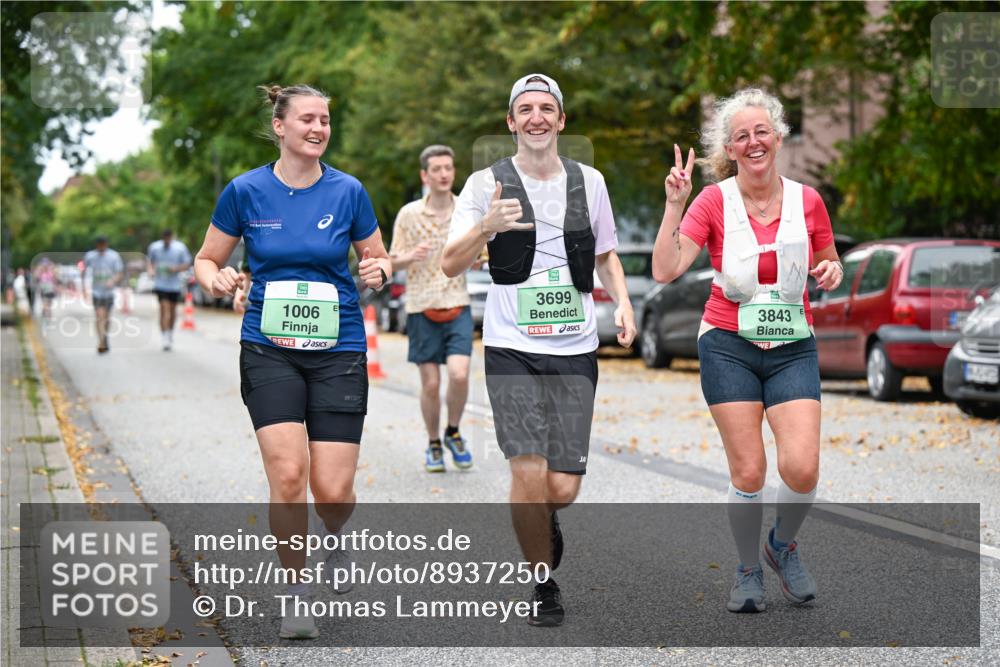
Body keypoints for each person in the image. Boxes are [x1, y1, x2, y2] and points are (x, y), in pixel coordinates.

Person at [193, 83, 391, 640]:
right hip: (267, 348)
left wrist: (379, 272)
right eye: (307, 118)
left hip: (339, 349)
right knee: (287, 475)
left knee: (332, 491)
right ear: (280, 126)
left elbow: (377, 260)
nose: (318, 128)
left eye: (325, 120)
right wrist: (219, 280)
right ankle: (295, 591)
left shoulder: (348, 191)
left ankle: (335, 533)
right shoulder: (245, 191)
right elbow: (207, 260)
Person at [442, 73, 636, 627]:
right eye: (524, 108)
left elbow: (606, 254)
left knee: (562, 488)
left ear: (561, 120)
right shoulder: (484, 184)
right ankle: (542, 583)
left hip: (575, 348)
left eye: (546, 108)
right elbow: (450, 264)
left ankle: (545, 519)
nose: (536, 117)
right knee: (526, 470)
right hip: (510, 347)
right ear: (510, 122)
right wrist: (485, 227)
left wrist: (621, 303)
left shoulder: (590, 180)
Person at [651, 88, 844, 613]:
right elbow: (666, 269)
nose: (753, 141)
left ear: (778, 138)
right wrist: (674, 205)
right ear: (730, 149)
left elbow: (829, 263)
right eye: (742, 136)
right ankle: (746, 569)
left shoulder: (808, 200)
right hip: (727, 345)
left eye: (762, 132)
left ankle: (781, 546)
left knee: (802, 469)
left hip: (792, 346)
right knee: (750, 472)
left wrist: (831, 271)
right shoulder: (713, 200)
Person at [389, 145, 474, 473]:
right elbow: (391, 259)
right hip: (421, 306)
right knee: (431, 385)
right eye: (436, 169)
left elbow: (480, 249)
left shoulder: (467, 211)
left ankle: (453, 431)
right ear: (424, 175)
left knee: (459, 373)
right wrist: (411, 256)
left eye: (448, 168)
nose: (443, 174)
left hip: (458, 302)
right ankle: (433, 442)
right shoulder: (409, 214)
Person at [147, 229, 192, 350]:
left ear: (171, 237)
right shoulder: (155, 247)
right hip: (160, 284)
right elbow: (150, 262)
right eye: (164, 238)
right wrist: (151, 270)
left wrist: (176, 268)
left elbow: (187, 263)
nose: (167, 241)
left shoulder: (180, 248)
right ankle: (164, 336)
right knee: (164, 309)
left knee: (172, 311)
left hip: (175, 285)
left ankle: (170, 332)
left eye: (168, 238)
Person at [83, 235, 124, 354]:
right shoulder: (90, 256)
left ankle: (105, 338)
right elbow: (85, 272)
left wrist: (113, 281)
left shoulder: (114, 256)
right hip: (96, 291)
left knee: (107, 317)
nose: (101, 247)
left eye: (103, 244)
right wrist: (84, 288)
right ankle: (101, 341)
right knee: (99, 316)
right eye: (99, 244)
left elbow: (119, 272)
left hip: (109, 292)